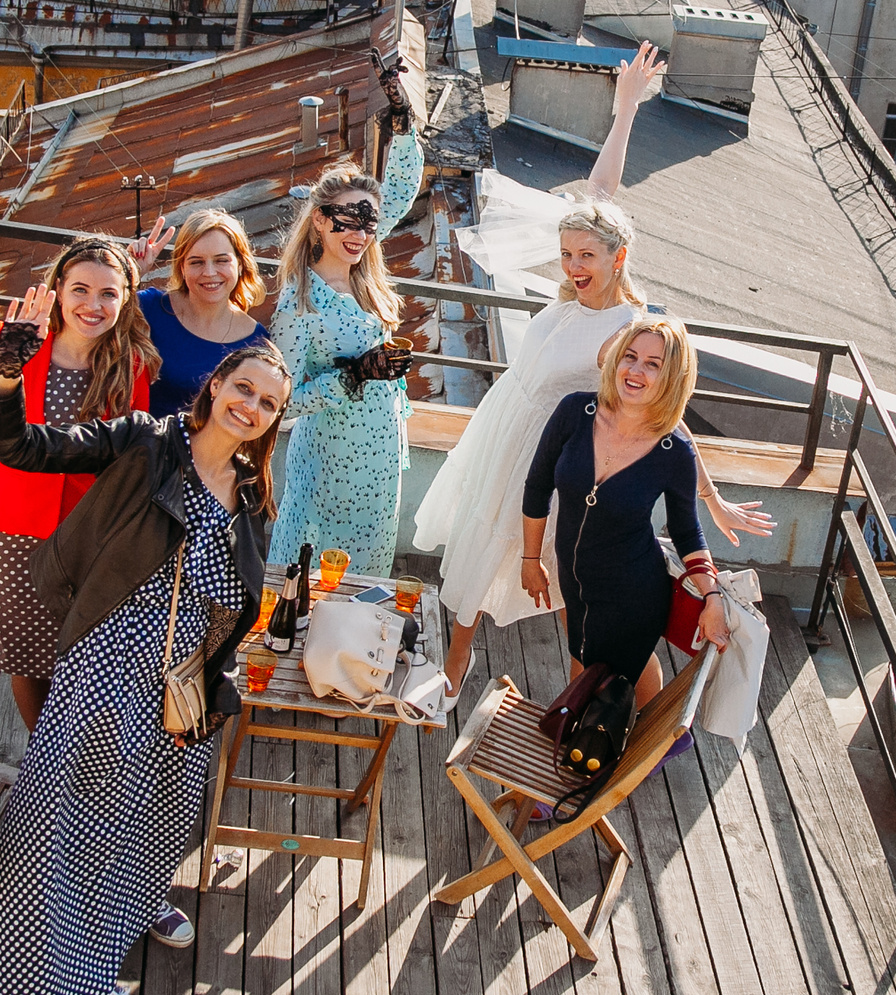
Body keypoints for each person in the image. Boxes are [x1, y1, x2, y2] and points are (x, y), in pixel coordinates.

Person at [0, 301, 290, 995]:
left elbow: (237, 593)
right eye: (243, 389)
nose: (252, 407)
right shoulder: (149, 442)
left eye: (268, 403)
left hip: (180, 681)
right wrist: (7, 375)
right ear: (213, 387)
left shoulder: (250, 487)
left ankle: (132, 899)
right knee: (74, 825)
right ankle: (82, 985)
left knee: (161, 808)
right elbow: (23, 447)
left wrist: (218, 671)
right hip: (110, 667)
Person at [414, 48, 773, 708]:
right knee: (474, 558)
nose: (574, 265)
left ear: (618, 258)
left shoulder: (626, 328)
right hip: (505, 427)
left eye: (587, 256)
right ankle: (455, 671)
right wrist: (628, 104)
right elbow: (601, 189)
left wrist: (714, 500)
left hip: (549, 451)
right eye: (568, 254)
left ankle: (610, 694)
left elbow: (665, 415)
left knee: (558, 573)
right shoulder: (578, 283)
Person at [0, 237, 156, 732]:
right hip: (11, 533)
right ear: (57, 289)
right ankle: (41, 750)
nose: (93, 305)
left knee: (87, 655)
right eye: (80, 289)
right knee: (26, 657)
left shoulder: (132, 364)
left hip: (88, 538)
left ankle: (74, 747)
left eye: (108, 294)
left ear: (126, 299)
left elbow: (131, 462)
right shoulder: (12, 344)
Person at [266, 56, 423, 578]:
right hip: (332, 463)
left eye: (368, 223)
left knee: (365, 577)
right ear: (318, 221)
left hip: (380, 456)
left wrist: (402, 122)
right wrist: (352, 375)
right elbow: (280, 408)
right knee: (317, 577)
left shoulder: (362, 274)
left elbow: (397, 189)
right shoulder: (299, 303)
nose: (359, 233)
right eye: (346, 220)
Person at [521, 318, 728, 711]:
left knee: (613, 674)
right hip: (576, 582)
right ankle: (604, 734)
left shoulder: (675, 453)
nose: (636, 371)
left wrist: (713, 597)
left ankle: (648, 742)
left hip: (632, 594)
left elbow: (687, 533)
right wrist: (530, 559)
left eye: (653, 364)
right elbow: (536, 488)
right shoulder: (574, 412)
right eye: (630, 357)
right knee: (584, 660)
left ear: (672, 377)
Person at [133, 207, 270, 419]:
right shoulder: (148, 308)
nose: (209, 273)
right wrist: (131, 272)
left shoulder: (256, 341)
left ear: (241, 264)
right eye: (196, 262)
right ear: (182, 267)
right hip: (139, 446)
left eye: (221, 260)